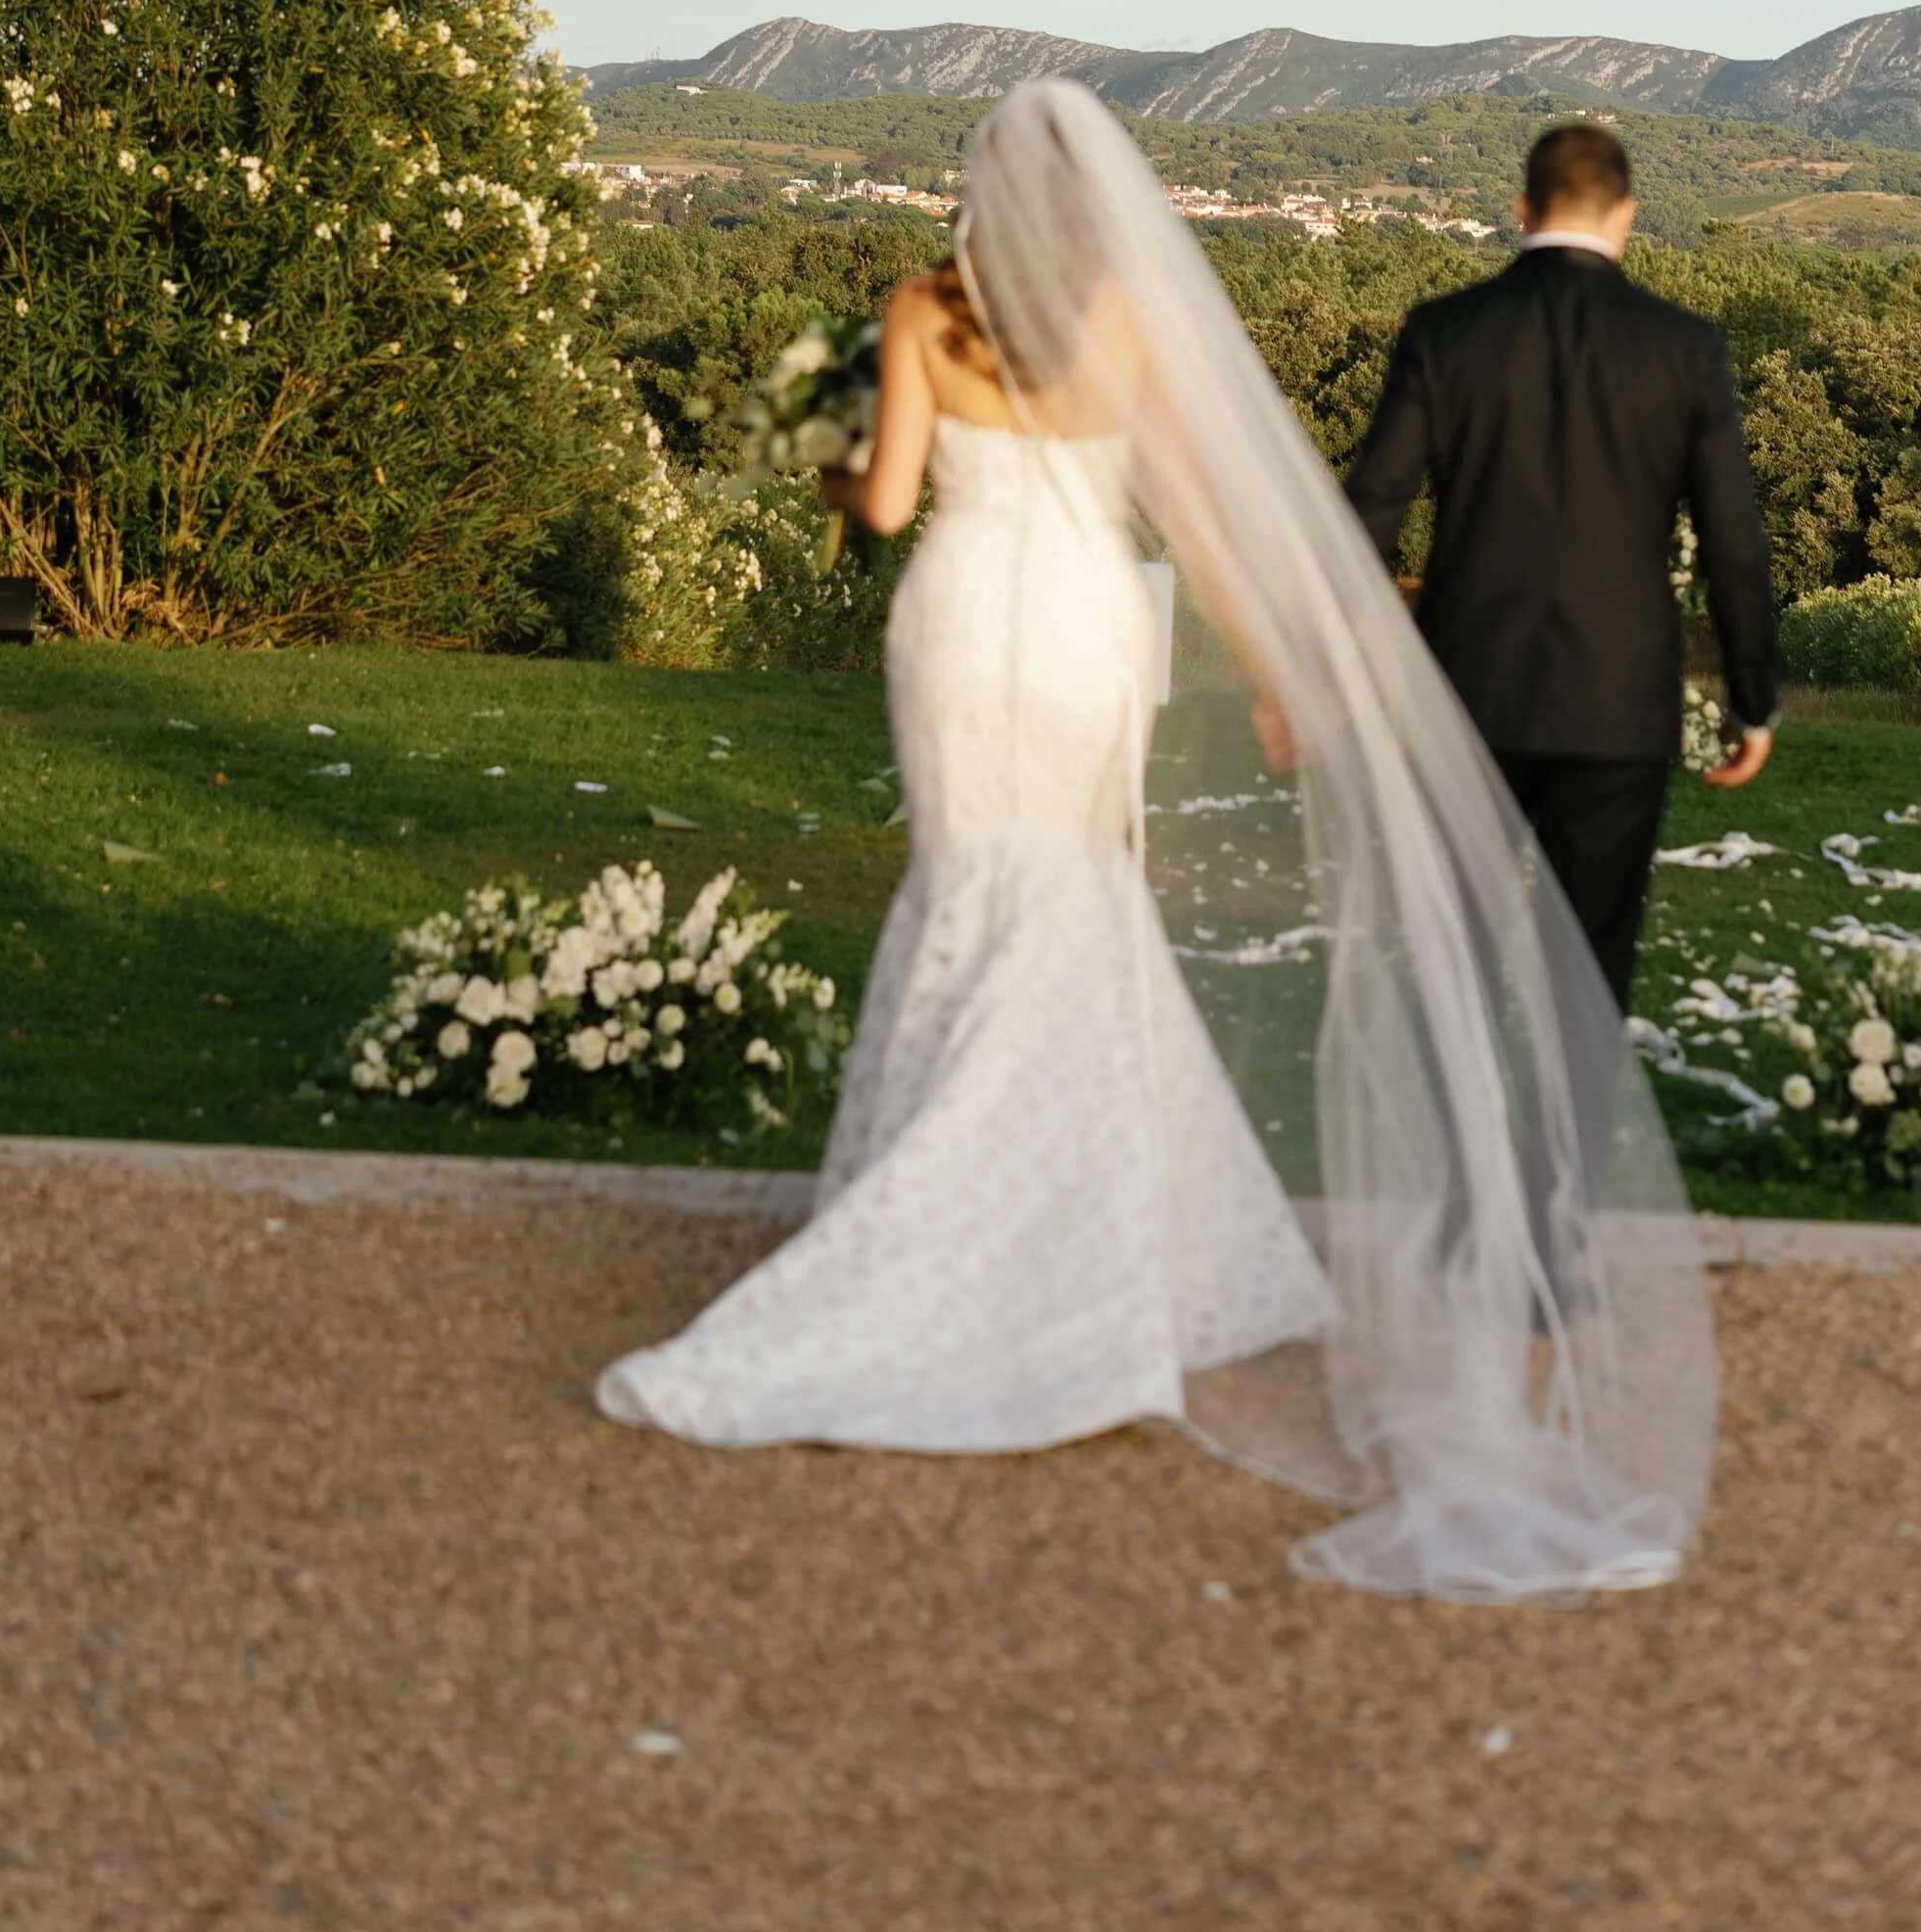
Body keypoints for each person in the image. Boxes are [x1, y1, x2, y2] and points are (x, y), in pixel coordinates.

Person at [598, 82, 1717, 1603]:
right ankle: (1080, 1229)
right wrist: (1277, 674)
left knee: (975, 885)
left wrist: (811, 422)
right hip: (1080, 629)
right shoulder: (1131, 317)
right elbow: (1201, 521)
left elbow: (879, 500)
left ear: (985, 193)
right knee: (1074, 888)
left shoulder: (925, 308)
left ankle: (961, 1204)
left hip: (963, 609)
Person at [1343, 118, 1781, 1019]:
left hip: (1463, 688)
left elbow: (1368, 515)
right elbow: (1733, 539)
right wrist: (1752, 699)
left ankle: (1458, 1154)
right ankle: (1564, 1160)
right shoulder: (1684, 347)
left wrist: (1331, 671)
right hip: (1617, 698)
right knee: (1589, 973)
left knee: (1449, 961)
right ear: (1625, 213)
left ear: (1521, 208)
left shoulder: (1444, 330)